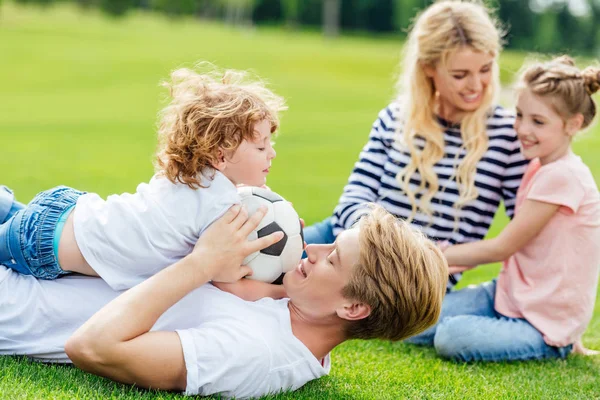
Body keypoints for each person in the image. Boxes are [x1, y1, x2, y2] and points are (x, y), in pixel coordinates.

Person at [0, 204, 448, 399]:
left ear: (352, 309)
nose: (315, 251)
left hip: (15, 296)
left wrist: (202, 263)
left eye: (333, 260)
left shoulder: (257, 355)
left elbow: (93, 346)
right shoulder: (293, 308)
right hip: (41, 241)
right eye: (330, 244)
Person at [304, 0, 528, 291]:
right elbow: (353, 198)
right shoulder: (396, 117)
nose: (476, 85)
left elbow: (528, 225)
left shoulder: (507, 135)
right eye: (460, 75)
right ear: (428, 68)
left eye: (485, 69)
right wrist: (382, 249)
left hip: (414, 283)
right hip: (342, 243)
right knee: (258, 262)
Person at [0, 64, 285, 290]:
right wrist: (282, 288)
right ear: (220, 157)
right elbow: (227, 283)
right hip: (43, 244)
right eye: (260, 146)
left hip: (65, 213)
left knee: (17, 215)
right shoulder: (222, 209)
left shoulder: (192, 174)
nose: (271, 153)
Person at [409, 56, 600, 362]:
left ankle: (555, 346)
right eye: (520, 115)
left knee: (451, 336)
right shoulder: (540, 166)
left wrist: (430, 256)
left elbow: (502, 247)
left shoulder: (563, 176)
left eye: (538, 122)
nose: (522, 129)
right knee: (411, 319)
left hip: (540, 322)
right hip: (508, 295)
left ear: (572, 124)